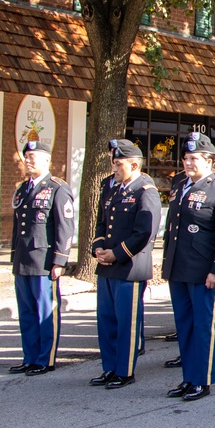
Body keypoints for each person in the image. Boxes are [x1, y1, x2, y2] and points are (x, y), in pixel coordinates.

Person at [161, 133, 215, 401]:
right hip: (179, 267)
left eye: (194, 159)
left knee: (204, 324)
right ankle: (187, 377)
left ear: (209, 161)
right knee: (184, 325)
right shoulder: (180, 184)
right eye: (185, 158)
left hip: (204, 270)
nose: (188, 163)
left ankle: (202, 379)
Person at [90, 140, 161, 389]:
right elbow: (101, 222)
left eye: (118, 164)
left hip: (129, 266)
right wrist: (98, 247)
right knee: (106, 319)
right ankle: (109, 367)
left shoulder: (145, 191)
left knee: (126, 323)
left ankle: (124, 370)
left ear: (133, 164)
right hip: (108, 266)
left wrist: (116, 254)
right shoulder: (113, 189)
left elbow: (144, 233)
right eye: (114, 162)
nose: (114, 167)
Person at [9, 141, 74, 376]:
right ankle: (29, 357)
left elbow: (64, 227)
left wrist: (60, 260)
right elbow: (18, 226)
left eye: (33, 156)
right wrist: (14, 256)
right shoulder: (22, 189)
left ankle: (45, 359)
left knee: (45, 311)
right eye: (26, 156)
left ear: (46, 160)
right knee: (26, 312)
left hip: (44, 260)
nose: (28, 160)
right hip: (23, 260)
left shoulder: (57, 188)